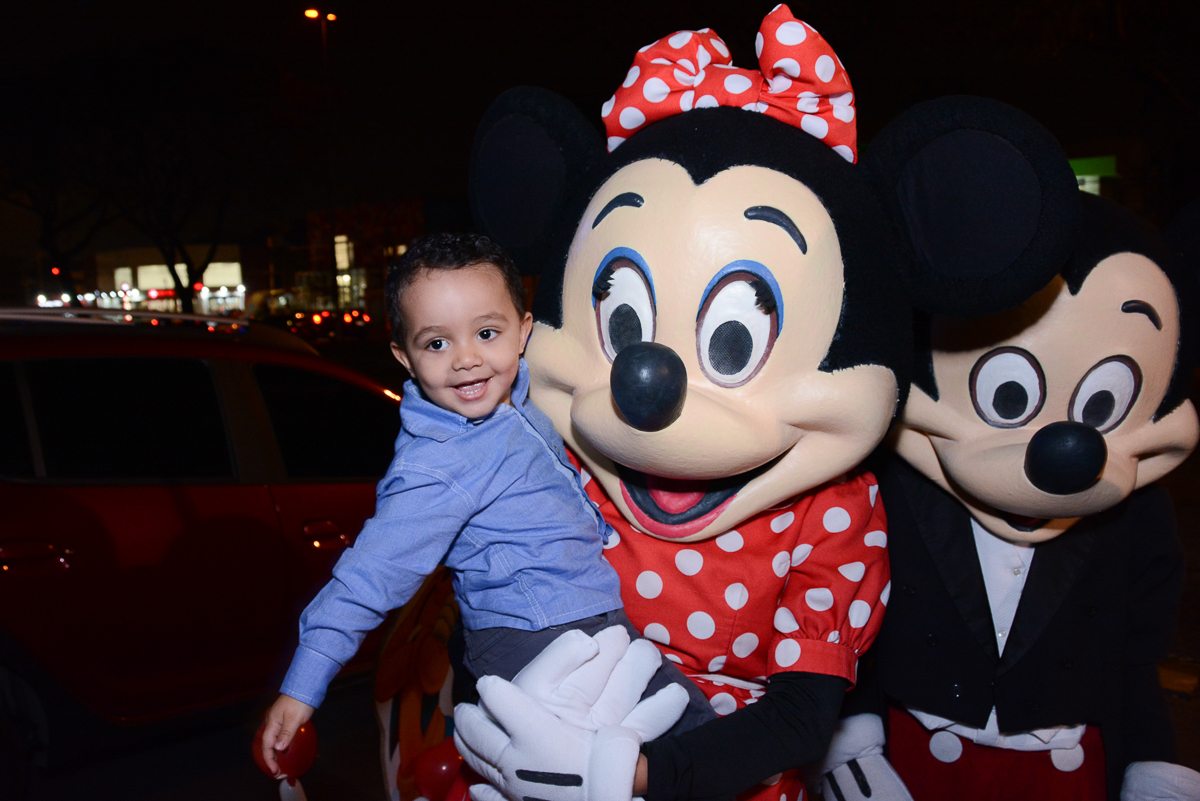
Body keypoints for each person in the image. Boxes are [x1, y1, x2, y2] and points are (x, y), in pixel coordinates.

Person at [259, 232, 715, 776]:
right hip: (535, 640)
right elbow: (367, 576)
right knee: (691, 743)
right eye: (436, 344)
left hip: (585, 622)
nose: (466, 360)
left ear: (523, 333)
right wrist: (301, 687)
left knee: (670, 750)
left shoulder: (516, 399)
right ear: (403, 357)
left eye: (486, 332)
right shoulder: (437, 466)